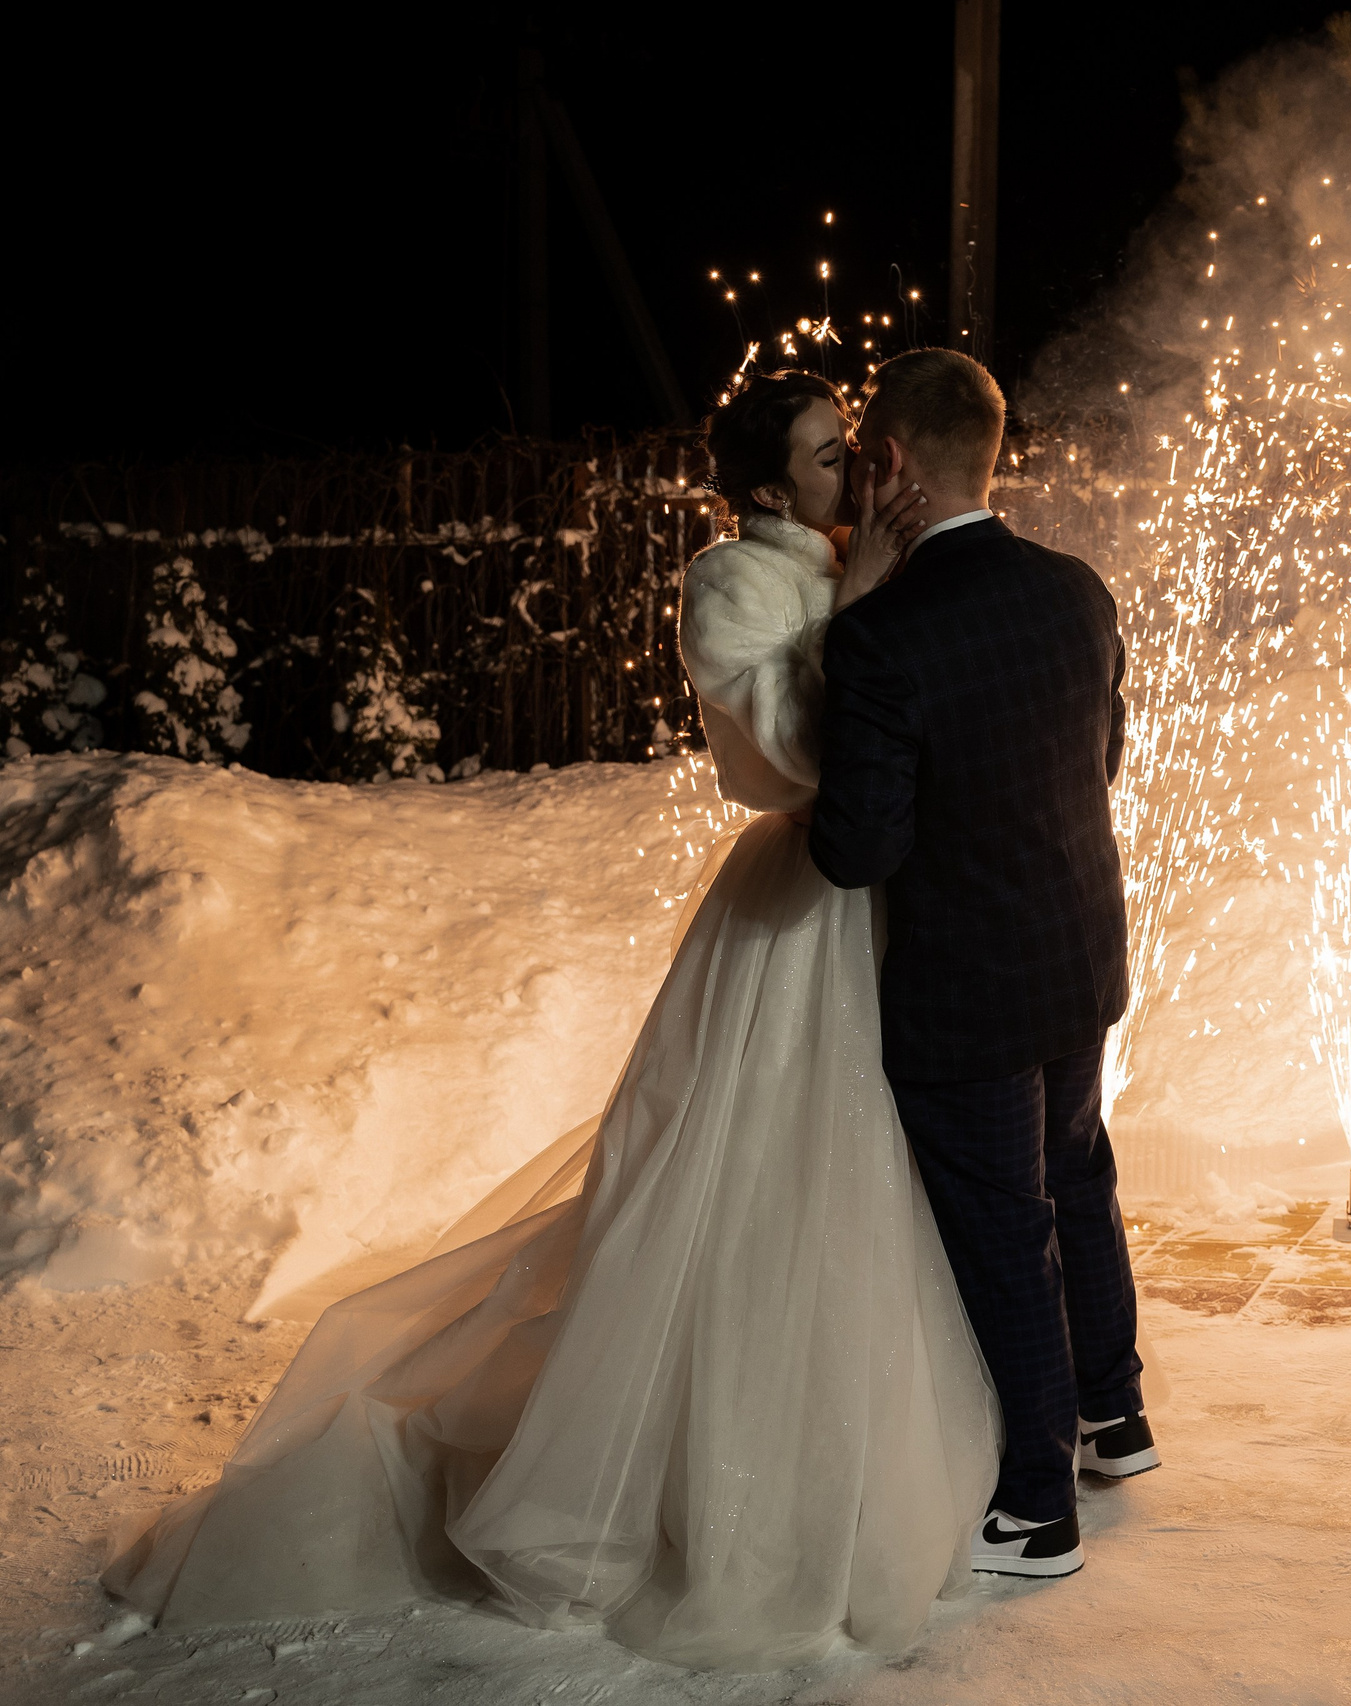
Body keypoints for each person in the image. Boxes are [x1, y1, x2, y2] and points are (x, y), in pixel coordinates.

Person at [100, 369, 1003, 1672]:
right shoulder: (731, 585)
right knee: (755, 1191)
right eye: (822, 458)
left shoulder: (878, 550)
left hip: (888, 906)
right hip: (793, 919)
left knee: (882, 1183)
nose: (852, 474)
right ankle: (728, 1490)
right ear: (763, 487)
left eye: (848, 449)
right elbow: (792, 753)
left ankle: (875, 1449)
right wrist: (868, 602)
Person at [811, 348, 1154, 1581]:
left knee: (1006, 1223)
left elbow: (855, 851)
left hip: (966, 978)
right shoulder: (1077, 589)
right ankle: (1116, 1417)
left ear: (888, 461)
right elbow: (1100, 757)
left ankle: (1035, 1504)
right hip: (1076, 949)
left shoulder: (883, 636)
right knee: (1075, 1171)